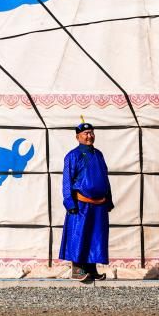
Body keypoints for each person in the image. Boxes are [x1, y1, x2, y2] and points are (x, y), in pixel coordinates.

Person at [59, 120, 114, 282]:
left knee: (97, 236)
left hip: (99, 204)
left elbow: (104, 178)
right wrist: (69, 202)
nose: (89, 136)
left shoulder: (99, 154)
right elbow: (67, 181)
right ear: (78, 137)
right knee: (79, 235)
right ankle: (77, 269)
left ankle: (92, 268)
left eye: (91, 133)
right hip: (81, 204)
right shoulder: (72, 156)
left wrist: (109, 200)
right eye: (85, 133)